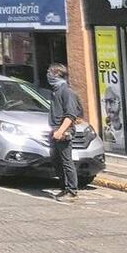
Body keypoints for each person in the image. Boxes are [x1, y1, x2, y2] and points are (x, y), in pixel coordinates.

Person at [47, 63, 84, 201]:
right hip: (55, 130)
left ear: (57, 74)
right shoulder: (55, 91)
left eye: (51, 72)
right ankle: (64, 187)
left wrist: (61, 131)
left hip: (63, 131)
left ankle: (72, 190)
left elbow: (70, 115)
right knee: (57, 161)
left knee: (66, 161)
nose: (48, 75)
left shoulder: (66, 91)